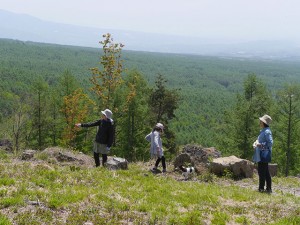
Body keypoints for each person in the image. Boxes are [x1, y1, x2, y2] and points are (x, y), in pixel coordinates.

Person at [252, 114, 273, 193]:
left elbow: (270, 143)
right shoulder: (264, 130)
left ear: (264, 123)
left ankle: (261, 189)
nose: (260, 122)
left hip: (264, 154)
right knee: (266, 171)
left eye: (261, 121)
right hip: (263, 153)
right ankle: (268, 188)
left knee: (261, 172)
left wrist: (260, 145)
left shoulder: (267, 131)